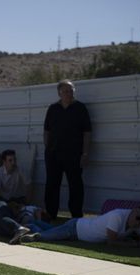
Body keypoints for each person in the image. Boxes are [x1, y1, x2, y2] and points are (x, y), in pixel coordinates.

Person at [43, 79, 92, 219]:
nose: (69, 93)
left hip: (74, 154)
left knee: (75, 185)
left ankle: (76, 216)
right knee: (52, 184)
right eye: (66, 91)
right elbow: (46, 130)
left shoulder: (80, 108)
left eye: (71, 91)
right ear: (59, 93)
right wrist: (48, 147)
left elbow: (87, 132)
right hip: (54, 154)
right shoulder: (53, 109)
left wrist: (85, 153)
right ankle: (51, 214)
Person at [23, 205, 140, 247]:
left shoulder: (137, 225)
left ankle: (31, 223)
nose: (138, 223)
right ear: (134, 211)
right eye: (138, 218)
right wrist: (136, 244)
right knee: (45, 236)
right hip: (76, 229)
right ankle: (28, 227)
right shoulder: (118, 216)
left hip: (79, 230)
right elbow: (111, 241)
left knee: (51, 230)